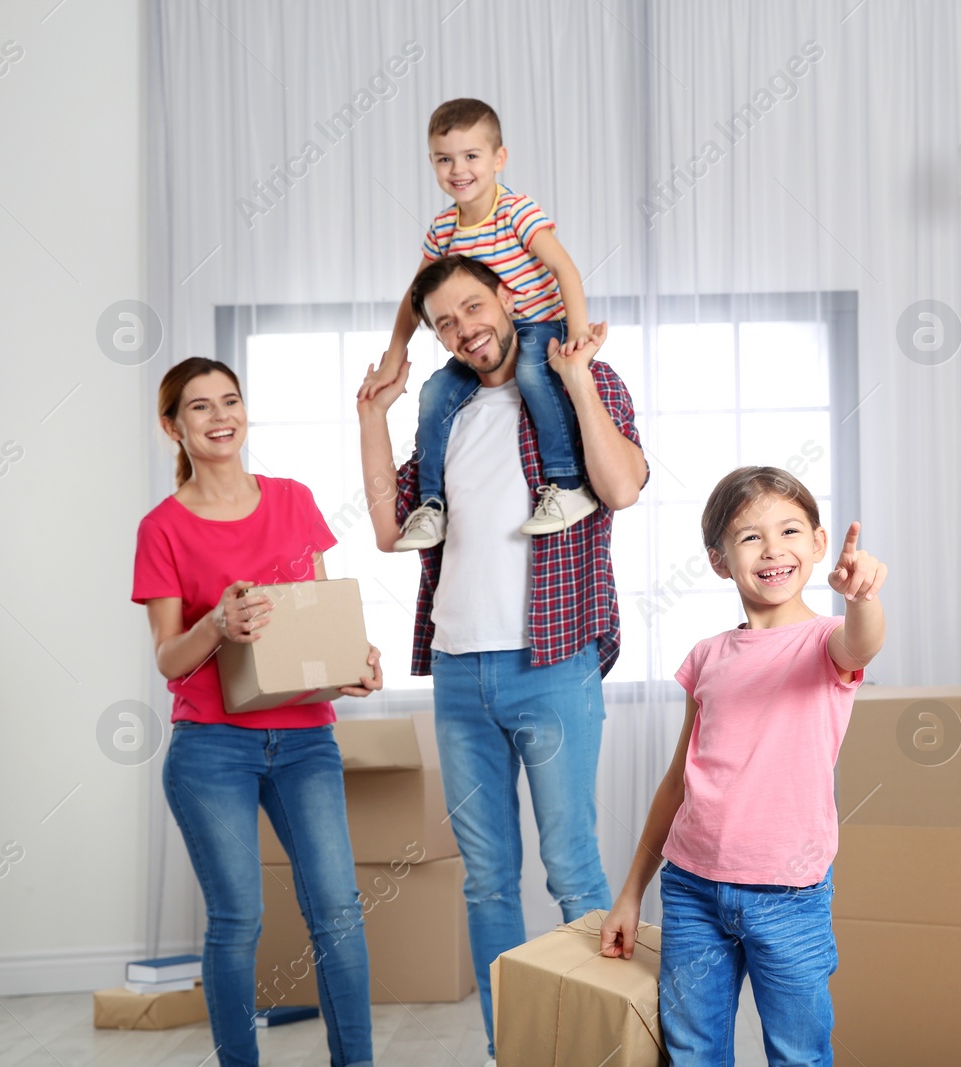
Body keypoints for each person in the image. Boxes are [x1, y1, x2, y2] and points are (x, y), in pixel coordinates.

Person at [356, 253, 648, 1064]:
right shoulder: (445, 409)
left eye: (473, 308)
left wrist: (581, 378)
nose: (464, 330)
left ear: (508, 296)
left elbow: (621, 488)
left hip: (553, 663)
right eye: (445, 322)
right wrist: (371, 416)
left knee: (572, 871)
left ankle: (596, 1046)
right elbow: (390, 528)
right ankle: (511, 1047)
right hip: (458, 671)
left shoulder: (570, 381)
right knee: (486, 880)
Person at [132, 357, 384, 1067]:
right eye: (201, 407)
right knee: (238, 918)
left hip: (305, 740)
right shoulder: (163, 528)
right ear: (173, 426)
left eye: (231, 401)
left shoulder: (294, 500)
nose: (221, 418)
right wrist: (217, 624)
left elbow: (324, 619)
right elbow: (168, 659)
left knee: (337, 910)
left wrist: (355, 667)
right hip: (212, 747)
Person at [599, 467, 888, 1067]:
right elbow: (679, 781)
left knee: (797, 1054)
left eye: (789, 530)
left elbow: (863, 643)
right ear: (719, 560)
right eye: (750, 536)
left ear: (816, 543)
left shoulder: (826, 642)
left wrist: (863, 599)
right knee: (693, 1050)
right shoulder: (707, 657)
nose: (773, 548)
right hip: (690, 890)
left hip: (790, 895)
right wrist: (631, 893)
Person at [358, 97, 600, 550]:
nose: (458, 169)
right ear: (432, 163)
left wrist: (579, 331)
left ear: (498, 158)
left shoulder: (516, 212)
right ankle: (431, 505)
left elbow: (564, 269)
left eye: (471, 156)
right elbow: (416, 300)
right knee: (434, 392)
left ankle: (567, 484)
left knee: (531, 370)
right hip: (484, 341)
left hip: (538, 324)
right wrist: (394, 355)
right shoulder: (443, 230)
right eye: (444, 159)